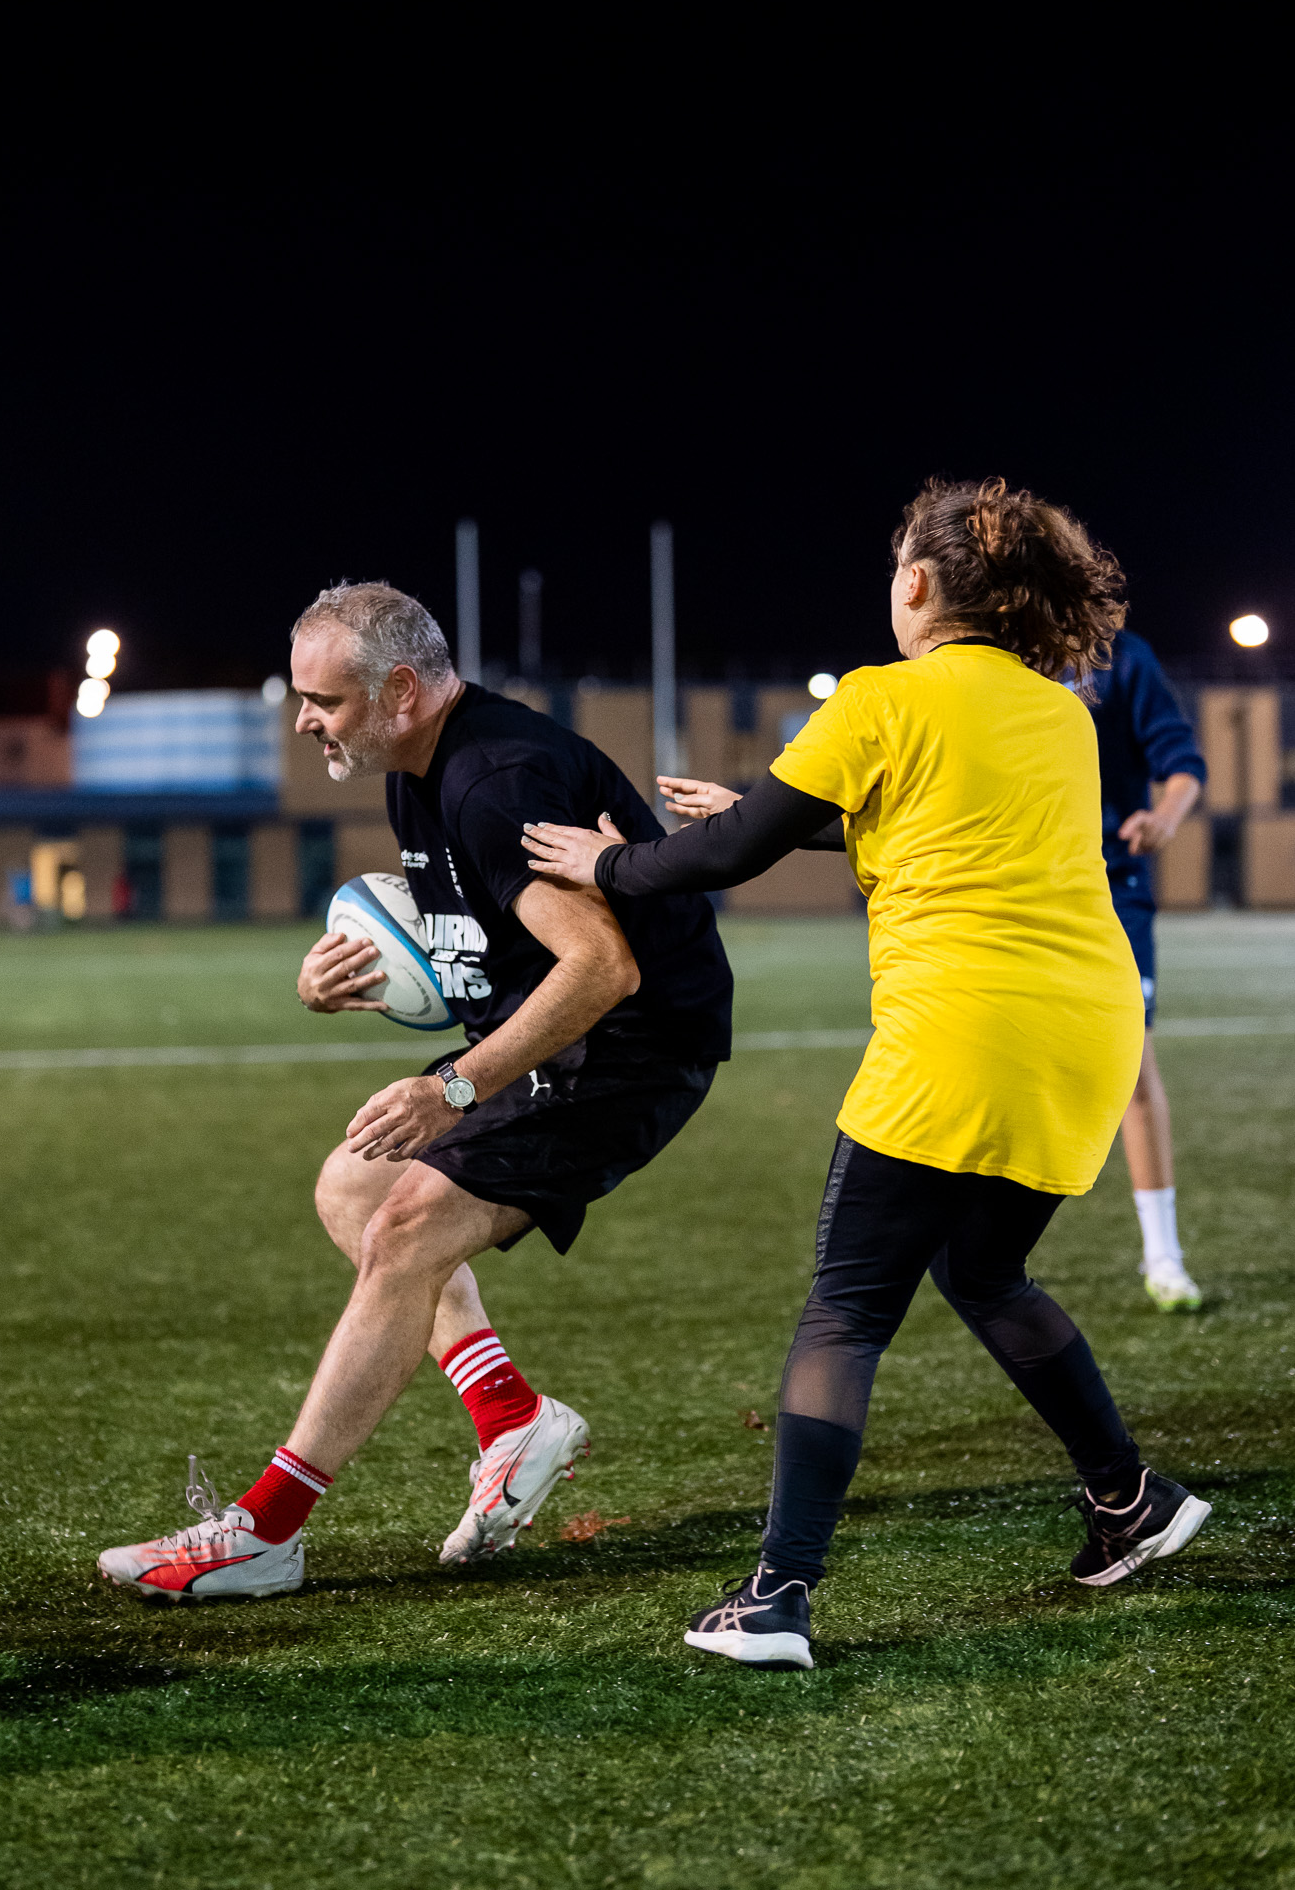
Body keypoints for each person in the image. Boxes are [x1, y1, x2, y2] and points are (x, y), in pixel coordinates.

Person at [523, 478, 1212, 1671]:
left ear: (919, 583)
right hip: (1087, 1032)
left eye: (897, 564)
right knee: (984, 1269)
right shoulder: (1058, 711)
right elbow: (934, 816)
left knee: (846, 1307)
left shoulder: (880, 696)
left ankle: (778, 1594)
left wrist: (612, 861)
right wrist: (758, 811)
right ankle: (1130, 1497)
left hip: (962, 1034)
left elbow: (730, 855)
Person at [98, 582, 732, 1601]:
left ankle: (264, 1531)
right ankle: (512, 1418)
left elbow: (601, 967)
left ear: (400, 690)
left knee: (404, 1226)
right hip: (560, 1035)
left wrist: (455, 1086)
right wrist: (347, 977)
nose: (304, 720)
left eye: (325, 700)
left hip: (628, 1046)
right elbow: (488, 947)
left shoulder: (494, 778)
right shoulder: (417, 768)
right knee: (354, 1187)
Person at [1088, 633, 1207, 1311]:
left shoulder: (1121, 657)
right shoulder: (993, 648)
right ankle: (970, 1249)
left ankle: (1163, 1255)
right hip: (1014, 885)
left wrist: (1164, 816)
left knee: (1131, 1066)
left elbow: (1182, 762)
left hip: (1111, 881)